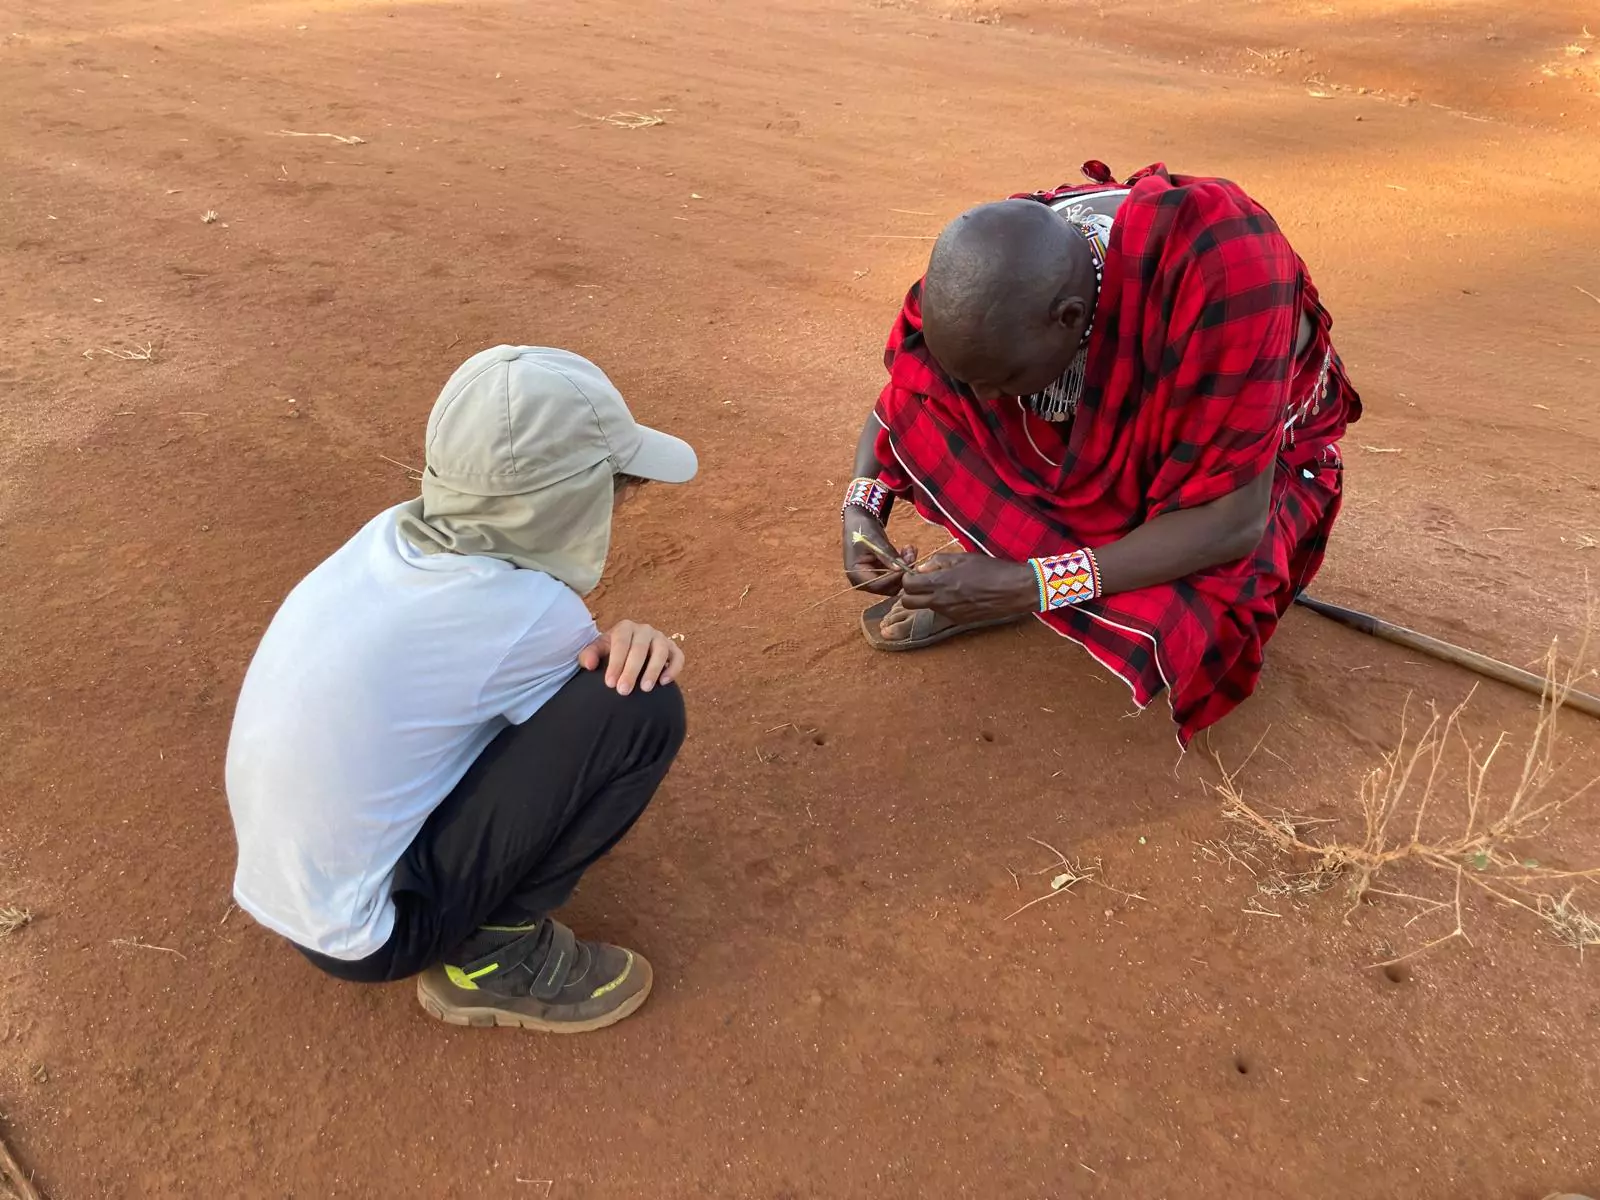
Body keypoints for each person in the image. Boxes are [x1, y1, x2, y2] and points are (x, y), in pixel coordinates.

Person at [226, 345, 697, 1033]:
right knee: (641, 705)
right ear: (568, 504)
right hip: (375, 934)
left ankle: (460, 904)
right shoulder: (534, 612)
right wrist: (638, 647)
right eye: (609, 487)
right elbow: (592, 706)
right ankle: (491, 955)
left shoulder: (389, 536)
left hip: (292, 885)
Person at [840, 160, 1362, 747]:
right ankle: (1010, 571)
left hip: (1224, 476)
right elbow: (912, 392)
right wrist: (861, 509)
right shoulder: (993, 275)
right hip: (1099, 447)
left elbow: (1231, 523)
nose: (982, 401)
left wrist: (1030, 585)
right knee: (940, 410)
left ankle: (1012, 573)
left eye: (1002, 377)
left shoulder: (1224, 272)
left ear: (1068, 318)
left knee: (1198, 616)